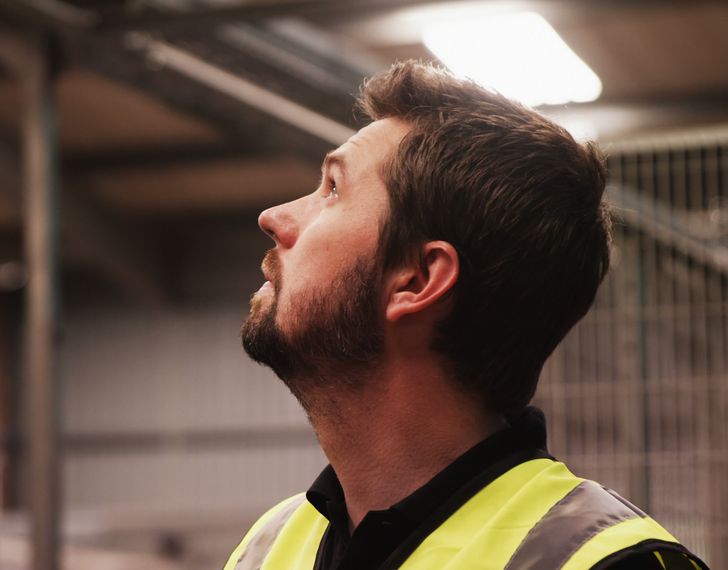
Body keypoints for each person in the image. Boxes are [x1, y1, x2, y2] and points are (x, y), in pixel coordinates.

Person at [229, 61, 707, 570]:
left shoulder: (611, 565)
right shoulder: (265, 549)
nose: (274, 217)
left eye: (332, 190)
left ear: (416, 280)